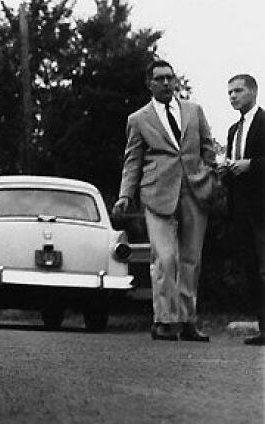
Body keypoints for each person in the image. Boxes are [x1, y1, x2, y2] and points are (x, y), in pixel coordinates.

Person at [112, 60, 216, 342]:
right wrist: (125, 195)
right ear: (150, 83)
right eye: (160, 79)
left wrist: (209, 177)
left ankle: (187, 320)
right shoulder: (139, 119)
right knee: (165, 259)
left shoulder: (194, 111)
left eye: (170, 78)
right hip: (157, 193)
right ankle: (164, 320)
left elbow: (208, 147)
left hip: (194, 192)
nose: (167, 83)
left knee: (191, 260)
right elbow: (132, 160)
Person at [217, 74, 265, 345]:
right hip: (241, 210)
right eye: (229, 93)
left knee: (264, 269)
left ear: (253, 92)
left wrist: (252, 165)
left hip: (262, 208)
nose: (232, 96)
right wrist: (226, 171)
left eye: (237, 91)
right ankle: (263, 328)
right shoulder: (233, 130)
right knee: (251, 269)